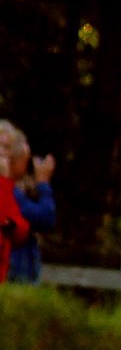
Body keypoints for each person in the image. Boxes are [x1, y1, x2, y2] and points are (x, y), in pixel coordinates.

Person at [0, 122, 56, 285]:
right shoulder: (7, 191)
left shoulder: (11, 190)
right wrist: (43, 183)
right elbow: (45, 219)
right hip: (12, 276)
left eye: (7, 147)